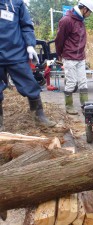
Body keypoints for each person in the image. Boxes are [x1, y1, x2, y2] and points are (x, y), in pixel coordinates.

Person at [0, 0, 56, 132]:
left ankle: (39, 116)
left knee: (30, 84)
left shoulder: (16, 3)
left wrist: (30, 45)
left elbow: (26, 25)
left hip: (16, 53)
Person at [55, 0, 93, 115]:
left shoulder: (81, 21)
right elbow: (59, 39)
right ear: (84, 9)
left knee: (83, 82)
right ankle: (69, 106)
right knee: (71, 82)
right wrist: (59, 54)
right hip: (69, 57)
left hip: (80, 57)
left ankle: (85, 105)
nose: (90, 15)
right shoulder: (66, 20)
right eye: (89, 12)